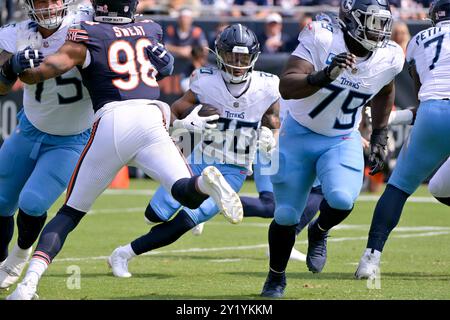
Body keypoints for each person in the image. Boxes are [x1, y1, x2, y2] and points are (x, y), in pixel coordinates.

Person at [7, 0, 242, 300]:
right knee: (187, 193)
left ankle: (27, 286)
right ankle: (204, 182)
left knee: (68, 215)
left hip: (113, 120)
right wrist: (166, 65)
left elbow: (44, 72)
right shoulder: (151, 29)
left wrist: (19, 69)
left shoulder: (86, 33)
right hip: (152, 117)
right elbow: (156, 69)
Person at [106, 23, 281, 278]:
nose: (237, 63)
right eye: (232, 56)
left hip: (234, 169)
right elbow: (175, 112)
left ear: (253, 57)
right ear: (220, 55)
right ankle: (191, 210)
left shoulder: (267, 86)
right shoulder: (206, 81)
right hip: (200, 157)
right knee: (154, 215)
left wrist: (271, 137)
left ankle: (123, 254)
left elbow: (274, 121)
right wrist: (187, 123)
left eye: (243, 58)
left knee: (184, 223)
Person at [260, 0, 404, 298]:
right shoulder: (322, 36)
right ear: (352, 19)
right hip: (298, 134)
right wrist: (323, 75)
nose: (379, 32)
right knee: (286, 215)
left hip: (341, 136)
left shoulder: (389, 56)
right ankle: (276, 278)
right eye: (372, 23)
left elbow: (386, 89)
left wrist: (379, 134)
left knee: (341, 198)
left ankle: (320, 230)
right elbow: (287, 85)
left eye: (383, 24)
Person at [0, 0, 94, 290]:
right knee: (1, 201)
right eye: (42, 0)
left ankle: (18, 256)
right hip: (30, 128)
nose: (50, 6)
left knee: (33, 202)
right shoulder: (16, 33)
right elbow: (1, 87)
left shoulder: (85, 26)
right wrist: (8, 68)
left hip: (72, 137)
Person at [356, 0, 450, 277]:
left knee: (400, 187)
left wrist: (390, 120)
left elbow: (423, 101)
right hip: (432, 107)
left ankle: (370, 260)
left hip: (432, 113)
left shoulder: (419, 39)